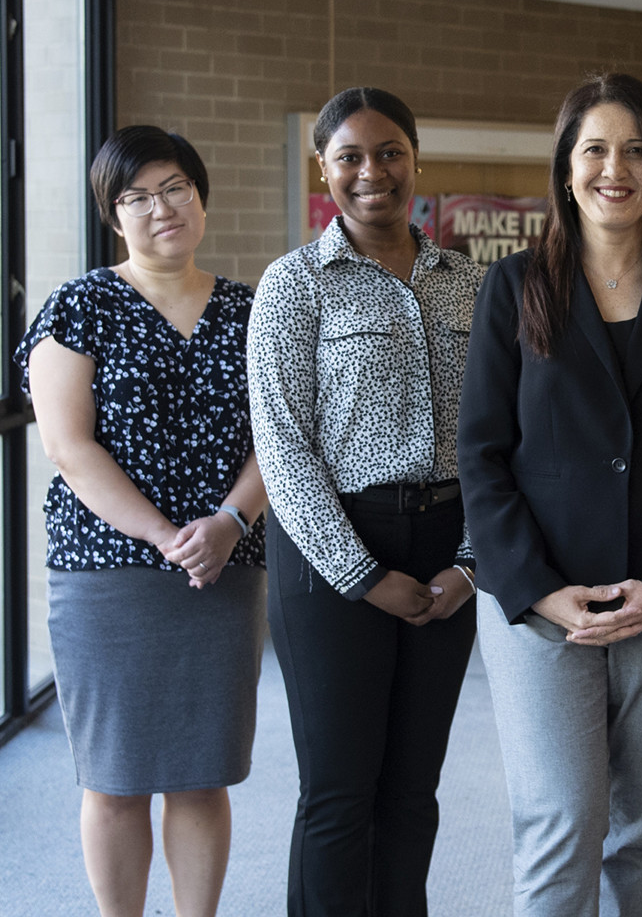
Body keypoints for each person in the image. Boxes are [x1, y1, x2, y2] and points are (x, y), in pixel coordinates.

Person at [458, 72, 642, 917]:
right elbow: (481, 455)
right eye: (597, 150)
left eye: (637, 150)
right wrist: (538, 590)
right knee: (562, 819)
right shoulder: (512, 286)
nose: (616, 168)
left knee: (640, 830)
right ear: (567, 169)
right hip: (542, 604)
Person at [16, 125, 267, 917]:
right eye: (137, 196)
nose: (161, 207)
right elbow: (69, 446)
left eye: (175, 188)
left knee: (201, 772)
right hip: (107, 574)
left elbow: (281, 435)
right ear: (113, 214)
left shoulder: (250, 310)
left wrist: (229, 520)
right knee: (117, 778)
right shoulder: (81, 305)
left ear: (200, 197)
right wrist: (166, 536)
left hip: (225, 569)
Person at [247, 87, 482, 917]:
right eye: (350, 156)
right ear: (325, 169)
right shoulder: (293, 284)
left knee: (413, 789)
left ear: (415, 160)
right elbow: (282, 450)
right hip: (333, 550)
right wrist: (361, 573)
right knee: (340, 792)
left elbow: (499, 436)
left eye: (389, 152)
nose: (372, 172)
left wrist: (467, 566)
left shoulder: (470, 282)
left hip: (447, 541)